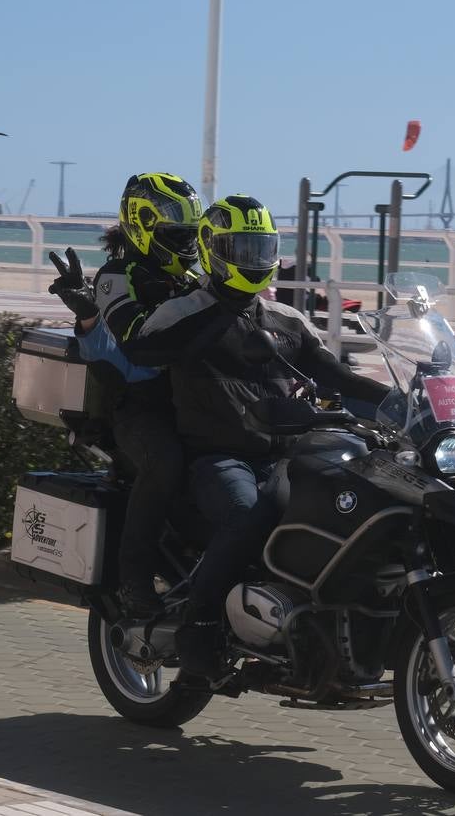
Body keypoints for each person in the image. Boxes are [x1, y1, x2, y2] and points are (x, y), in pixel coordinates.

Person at [125, 194, 390, 679]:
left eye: (259, 249)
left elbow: (340, 378)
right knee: (245, 516)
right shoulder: (182, 311)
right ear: (212, 250)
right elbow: (143, 351)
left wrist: (404, 402)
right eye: (240, 250)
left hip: (289, 455)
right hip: (219, 458)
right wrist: (218, 314)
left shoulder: (286, 320)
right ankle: (200, 624)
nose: (253, 261)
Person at [47, 172, 204, 618]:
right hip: (139, 405)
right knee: (166, 460)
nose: (187, 243)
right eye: (177, 234)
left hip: (190, 399)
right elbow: (116, 361)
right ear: (144, 228)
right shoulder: (119, 277)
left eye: (191, 234)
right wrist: (88, 319)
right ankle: (135, 579)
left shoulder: (192, 276)